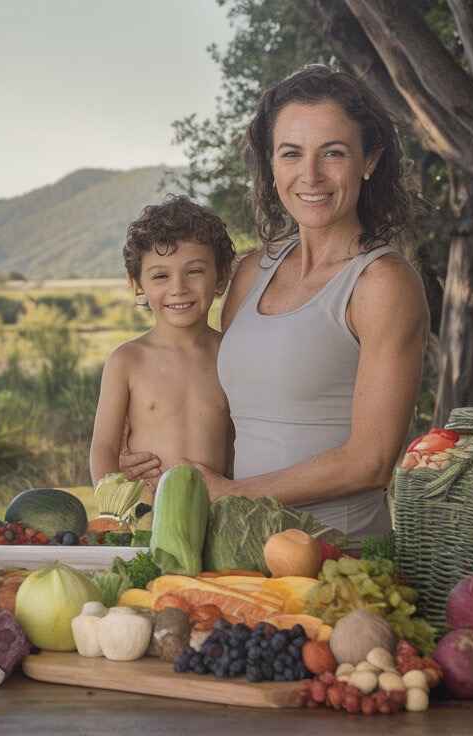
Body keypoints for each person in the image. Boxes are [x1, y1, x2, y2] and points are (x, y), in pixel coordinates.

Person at [120, 65, 428, 538]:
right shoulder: (248, 272)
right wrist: (145, 454)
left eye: (333, 153)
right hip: (237, 549)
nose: (310, 175)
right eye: (291, 153)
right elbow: (224, 415)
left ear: (369, 160)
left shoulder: (381, 283)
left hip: (336, 557)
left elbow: (372, 462)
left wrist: (228, 493)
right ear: (271, 163)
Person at [89, 196, 236, 503]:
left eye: (194, 271)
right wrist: (114, 503)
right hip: (146, 514)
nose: (178, 287)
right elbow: (103, 447)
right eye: (160, 276)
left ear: (220, 277)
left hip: (219, 514)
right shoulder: (127, 361)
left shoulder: (232, 355)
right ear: (138, 285)